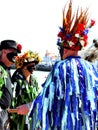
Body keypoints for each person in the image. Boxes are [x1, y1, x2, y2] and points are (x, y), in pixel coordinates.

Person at [9, 0, 98, 129]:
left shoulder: (61, 68)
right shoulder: (92, 70)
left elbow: (46, 101)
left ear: (64, 49)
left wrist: (28, 107)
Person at [10, 50, 41, 130]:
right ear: (23, 67)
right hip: (19, 118)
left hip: (31, 117)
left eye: (35, 65)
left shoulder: (34, 80)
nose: (34, 67)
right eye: (31, 65)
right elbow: (13, 100)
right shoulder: (17, 81)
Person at [0, 39, 22, 130]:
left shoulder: (7, 70)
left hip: (5, 114)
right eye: (13, 51)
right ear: (4, 51)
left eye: (17, 52)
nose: (15, 55)